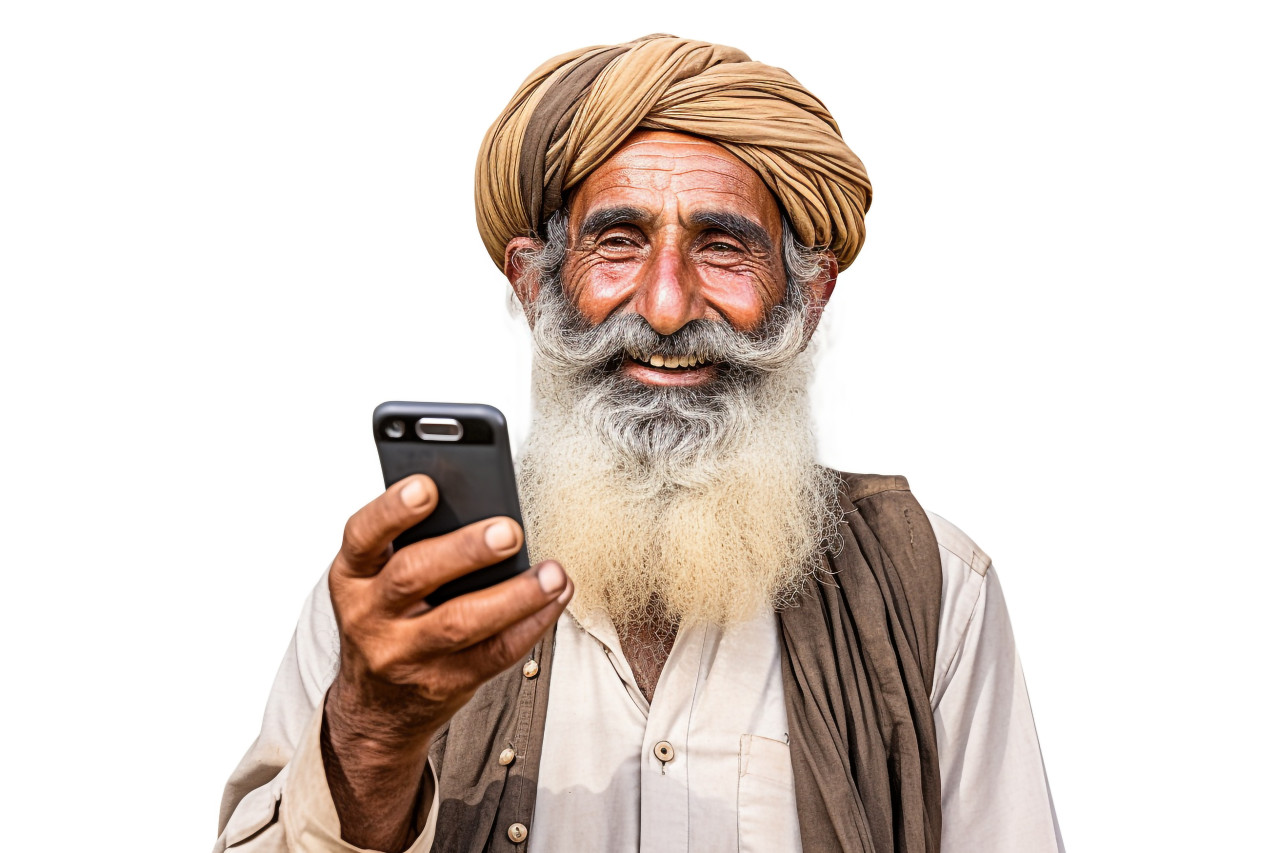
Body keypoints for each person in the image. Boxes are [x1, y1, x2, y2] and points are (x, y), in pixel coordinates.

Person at [215, 34, 1064, 853]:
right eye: (618, 242)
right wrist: (369, 733)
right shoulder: (401, 592)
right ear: (534, 281)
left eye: (723, 246)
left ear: (807, 300)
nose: (664, 306)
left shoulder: (932, 589)